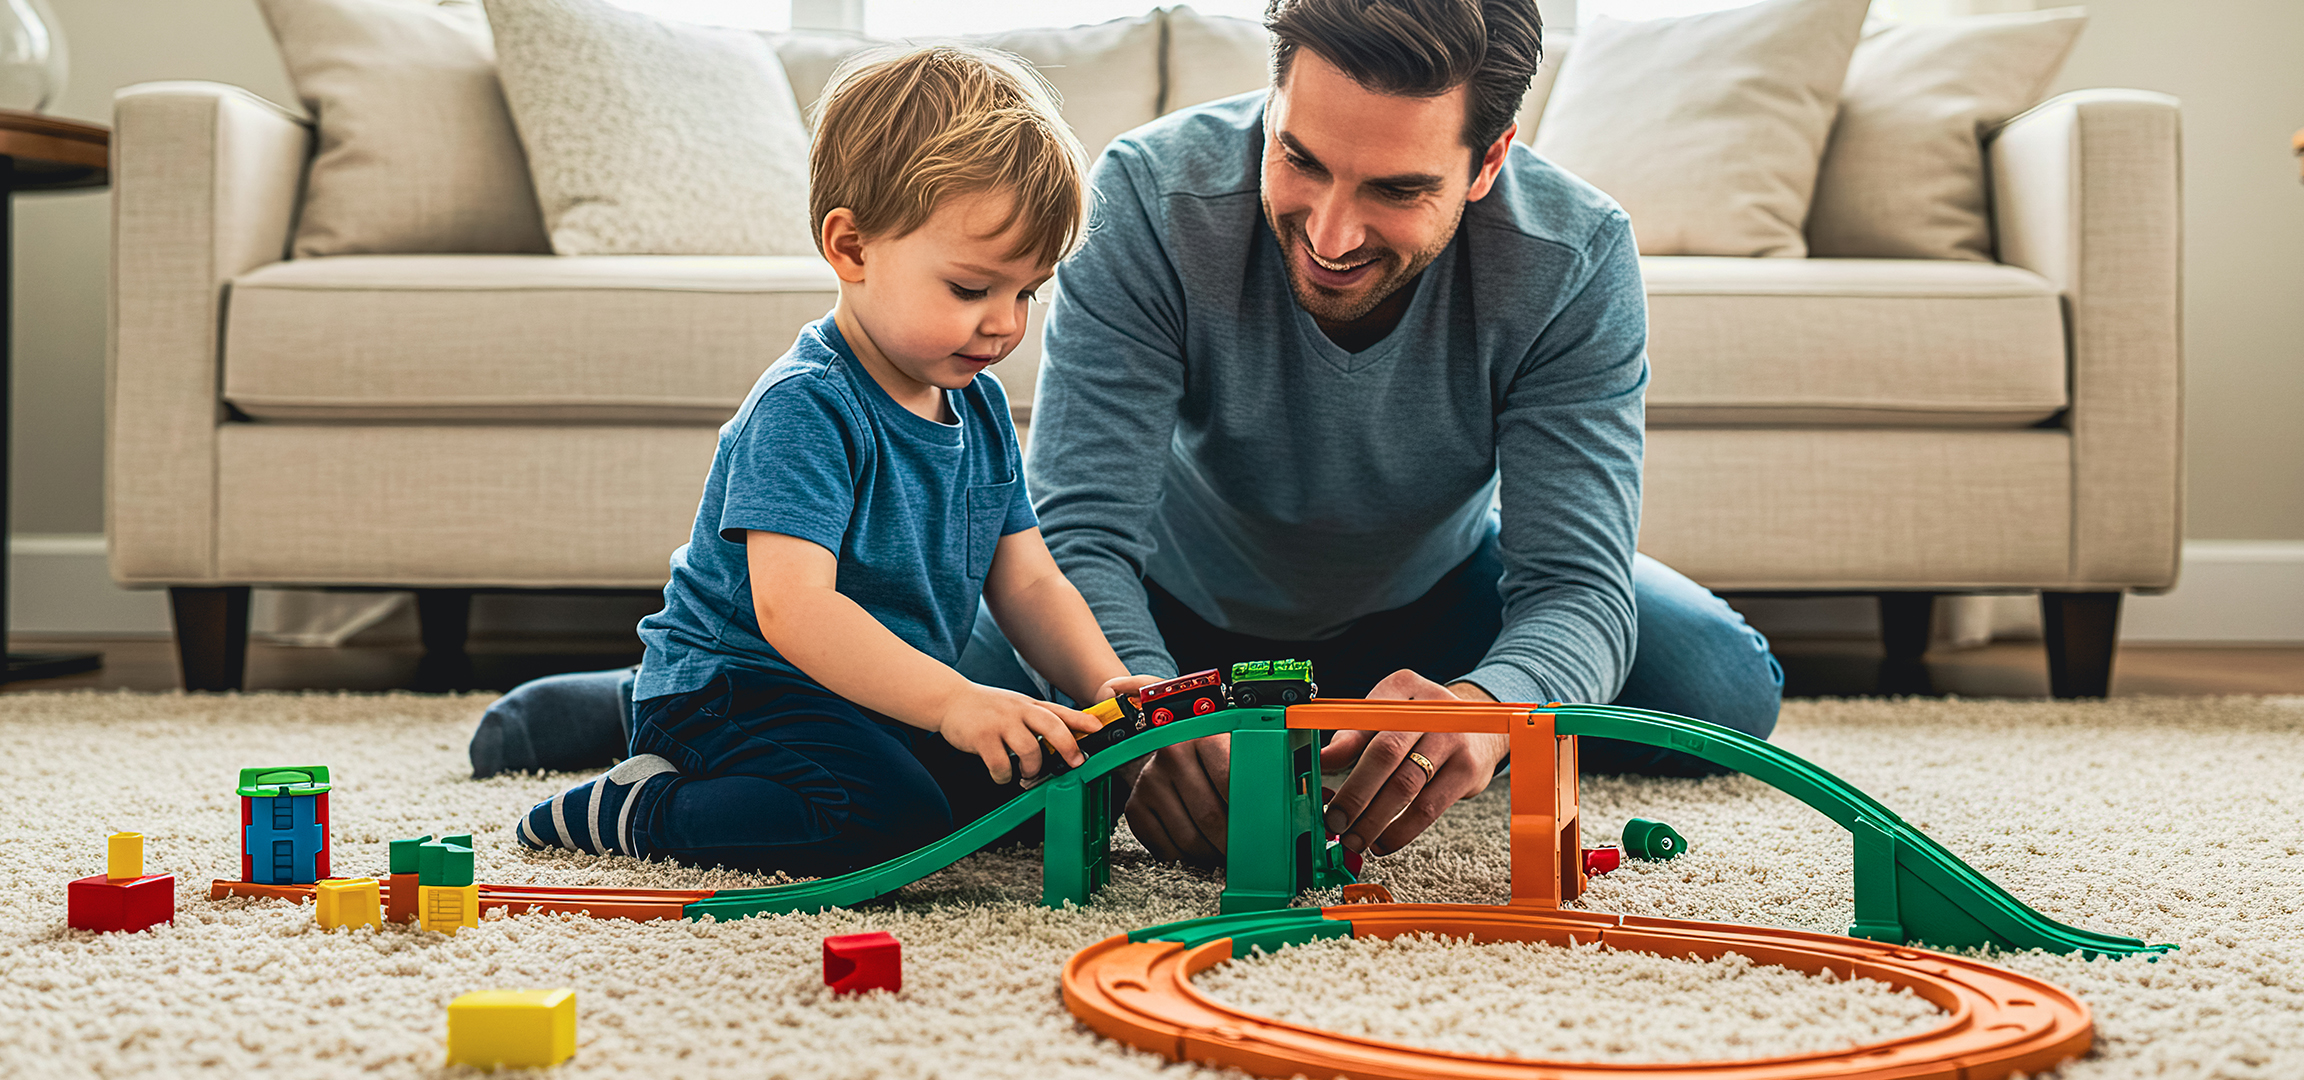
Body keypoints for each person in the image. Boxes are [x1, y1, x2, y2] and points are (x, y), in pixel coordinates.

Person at [957, 0, 1783, 867]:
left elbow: (1575, 584)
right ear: (1272, 104)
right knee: (954, 726)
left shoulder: (1574, 255)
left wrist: (1485, 712)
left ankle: (1395, 737)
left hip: (1438, 604)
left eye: (1397, 189)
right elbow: (1080, 535)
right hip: (1166, 608)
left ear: (1486, 162)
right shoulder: (1145, 194)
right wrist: (1144, 706)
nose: (1330, 234)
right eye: (1299, 159)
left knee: (1721, 686)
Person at [510, 45, 1158, 876]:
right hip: (734, 692)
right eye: (971, 289)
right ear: (851, 248)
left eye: (1026, 292)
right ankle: (641, 806)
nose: (1005, 325)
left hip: (872, 696)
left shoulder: (982, 407)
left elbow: (1029, 581)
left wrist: (1110, 687)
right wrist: (956, 701)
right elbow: (795, 612)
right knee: (880, 818)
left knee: (1055, 783)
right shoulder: (809, 406)